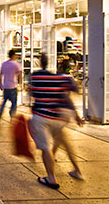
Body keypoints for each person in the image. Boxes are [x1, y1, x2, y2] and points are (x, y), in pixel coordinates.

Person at [28, 53, 84, 189]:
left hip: (41, 116)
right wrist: (76, 115)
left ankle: (51, 178)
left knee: (46, 148)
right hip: (58, 117)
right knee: (65, 143)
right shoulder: (59, 78)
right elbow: (72, 91)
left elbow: (30, 95)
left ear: (39, 62)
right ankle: (77, 170)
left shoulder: (34, 77)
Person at [0, 49, 22, 125]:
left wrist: (1, 84)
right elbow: (20, 75)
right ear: (13, 55)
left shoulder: (4, 64)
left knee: (4, 101)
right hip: (13, 86)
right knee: (14, 103)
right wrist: (21, 84)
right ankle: (12, 116)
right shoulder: (16, 64)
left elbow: (0, 74)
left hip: (6, 86)